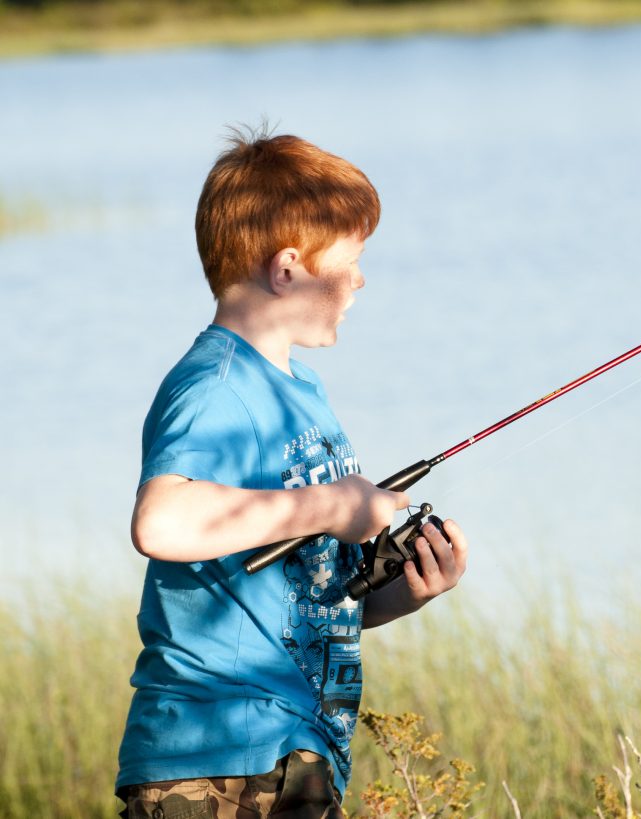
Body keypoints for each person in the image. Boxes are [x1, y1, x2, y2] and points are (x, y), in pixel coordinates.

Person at [115, 127, 468, 818]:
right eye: (352, 259)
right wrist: (332, 506)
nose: (362, 279)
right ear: (287, 268)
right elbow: (160, 522)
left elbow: (300, 602)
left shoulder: (301, 390)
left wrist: (406, 593)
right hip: (219, 757)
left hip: (295, 750)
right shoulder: (215, 385)